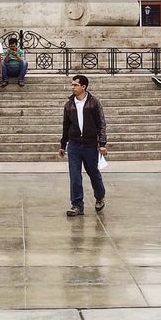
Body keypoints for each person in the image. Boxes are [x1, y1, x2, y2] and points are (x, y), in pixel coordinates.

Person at [59, 73, 107, 216]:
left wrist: (102, 143)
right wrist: (63, 145)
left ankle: (99, 197)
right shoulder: (69, 104)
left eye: (75, 85)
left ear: (83, 87)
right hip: (74, 145)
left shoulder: (94, 103)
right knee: (75, 175)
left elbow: (101, 123)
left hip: (90, 144)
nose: (72, 87)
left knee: (94, 173)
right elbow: (65, 126)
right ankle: (77, 205)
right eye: (72, 84)